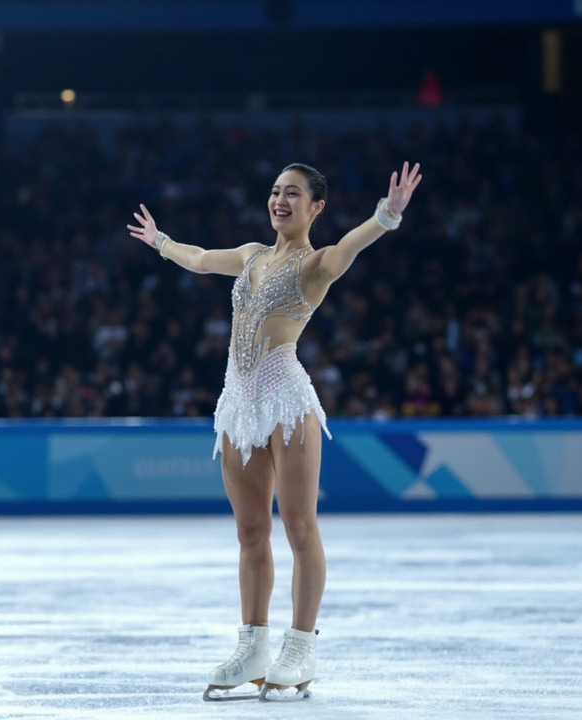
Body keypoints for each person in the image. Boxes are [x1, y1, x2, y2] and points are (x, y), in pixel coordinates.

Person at [127, 161, 422, 701]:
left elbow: (350, 247)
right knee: (250, 533)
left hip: (286, 402)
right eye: (274, 192)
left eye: (292, 193)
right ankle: (252, 645)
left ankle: (301, 644)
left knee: (300, 528)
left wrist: (387, 215)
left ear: (316, 207)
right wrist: (160, 241)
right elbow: (197, 259)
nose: (279, 200)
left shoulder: (316, 265)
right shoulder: (250, 255)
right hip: (237, 405)